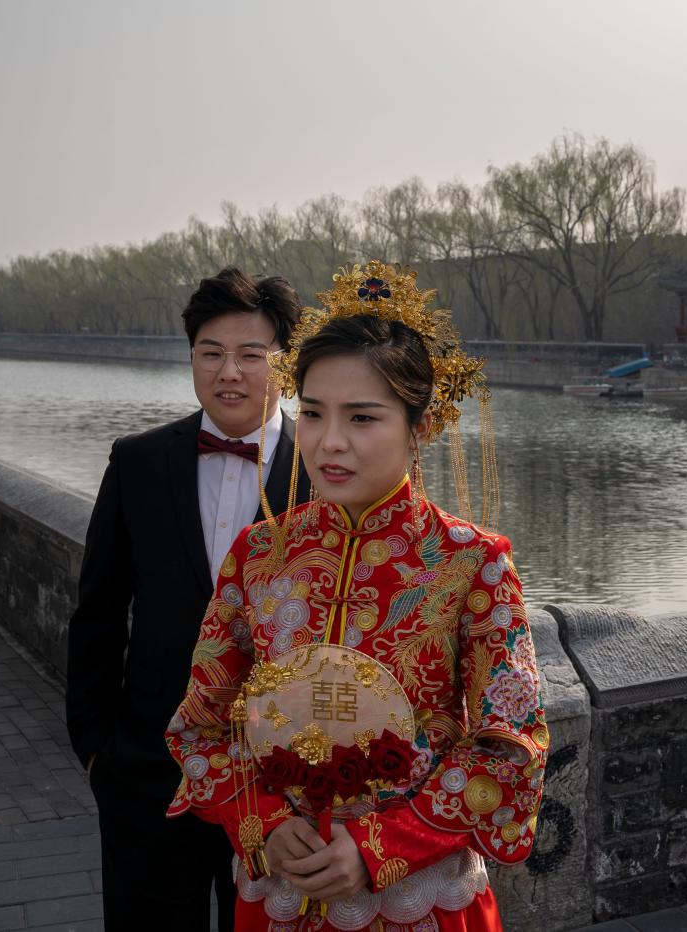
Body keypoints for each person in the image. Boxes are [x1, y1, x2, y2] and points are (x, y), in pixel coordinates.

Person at [165, 261, 548, 931]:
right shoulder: (258, 556)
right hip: (282, 885)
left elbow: (508, 746)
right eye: (312, 413)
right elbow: (201, 726)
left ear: (420, 428)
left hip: (416, 901)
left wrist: (382, 846)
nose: (329, 442)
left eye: (362, 417)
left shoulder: (471, 565)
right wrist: (263, 819)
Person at [66, 267, 311, 932]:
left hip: (285, 790)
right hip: (150, 775)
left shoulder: (326, 470)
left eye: (250, 355)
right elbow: (97, 613)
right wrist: (97, 752)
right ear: (192, 358)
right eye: (210, 353)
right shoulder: (138, 462)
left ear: (284, 364)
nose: (228, 372)